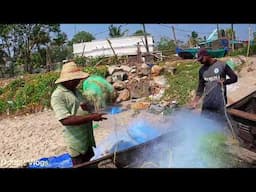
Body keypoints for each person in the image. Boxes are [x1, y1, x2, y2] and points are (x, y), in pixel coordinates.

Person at [51, 61, 107, 166]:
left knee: (92, 164)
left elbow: (81, 106)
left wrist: (89, 108)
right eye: (76, 80)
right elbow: (65, 120)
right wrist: (91, 117)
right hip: (76, 143)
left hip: (88, 140)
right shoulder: (58, 95)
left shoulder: (76, 91)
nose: (78, 82)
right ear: (68, 80)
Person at [190, 48, 238, 121]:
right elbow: (200, 87)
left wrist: (224, 82)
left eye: (201, 59)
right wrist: (195, 101)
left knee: (220, 124)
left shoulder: (222, 65)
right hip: (207, 102)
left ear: (207, 55)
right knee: (205, 123)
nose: (200, 61)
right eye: (198, 60)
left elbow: (234, 78)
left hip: (220, 102)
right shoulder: (201, 70)